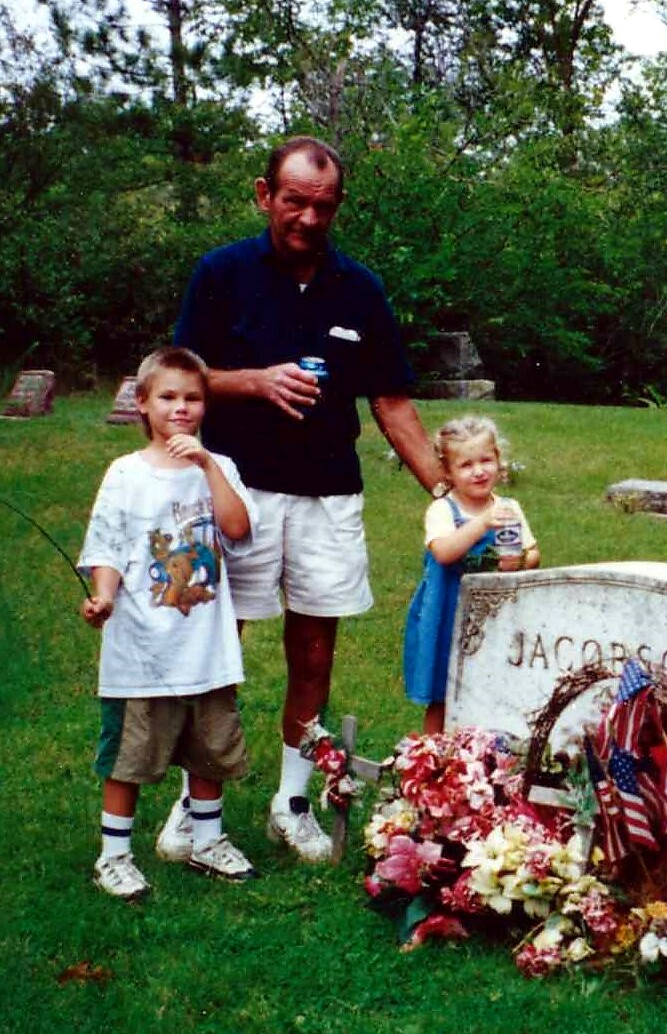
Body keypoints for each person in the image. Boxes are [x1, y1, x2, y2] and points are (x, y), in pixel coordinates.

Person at [159, 136, 442, 864]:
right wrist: (254, 381)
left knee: (314, 652)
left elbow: (392, 402)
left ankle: (292, 800)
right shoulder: (222, 272)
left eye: (323, 206)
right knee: (217, 646)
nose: (309, 219)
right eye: (294, 202)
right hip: (235, 489)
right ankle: (194, 805)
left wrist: (448, 493)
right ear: (265, 196)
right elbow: (178, 379)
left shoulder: (360, 288)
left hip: (328, 494)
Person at [79, 347, 258, 899]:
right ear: (142, 403)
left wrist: (207, 466)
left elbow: (237, 528)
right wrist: (103, 597)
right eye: (168, 397)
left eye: (193, 398)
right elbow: (107, 546)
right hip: (142, 651)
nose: (181, 408)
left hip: (207, 649)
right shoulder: (126, 473)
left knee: (210, 751)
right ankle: (113, 856)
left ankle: (206, 841)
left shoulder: (220, 467)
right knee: (129, 757)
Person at [403, 416, 540, 734]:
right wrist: (482, 524)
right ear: (448, 472)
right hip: (448, 613)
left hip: (494, 615)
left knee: (491, 690)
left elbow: (532, 551)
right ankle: (433, 755)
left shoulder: (509, 508)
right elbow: (444, 552)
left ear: (498, 460)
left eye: (485, 460)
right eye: (466, 465)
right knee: (444, 694)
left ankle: (484, 754)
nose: (479, 471)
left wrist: (520, 561)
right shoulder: (443, 510)